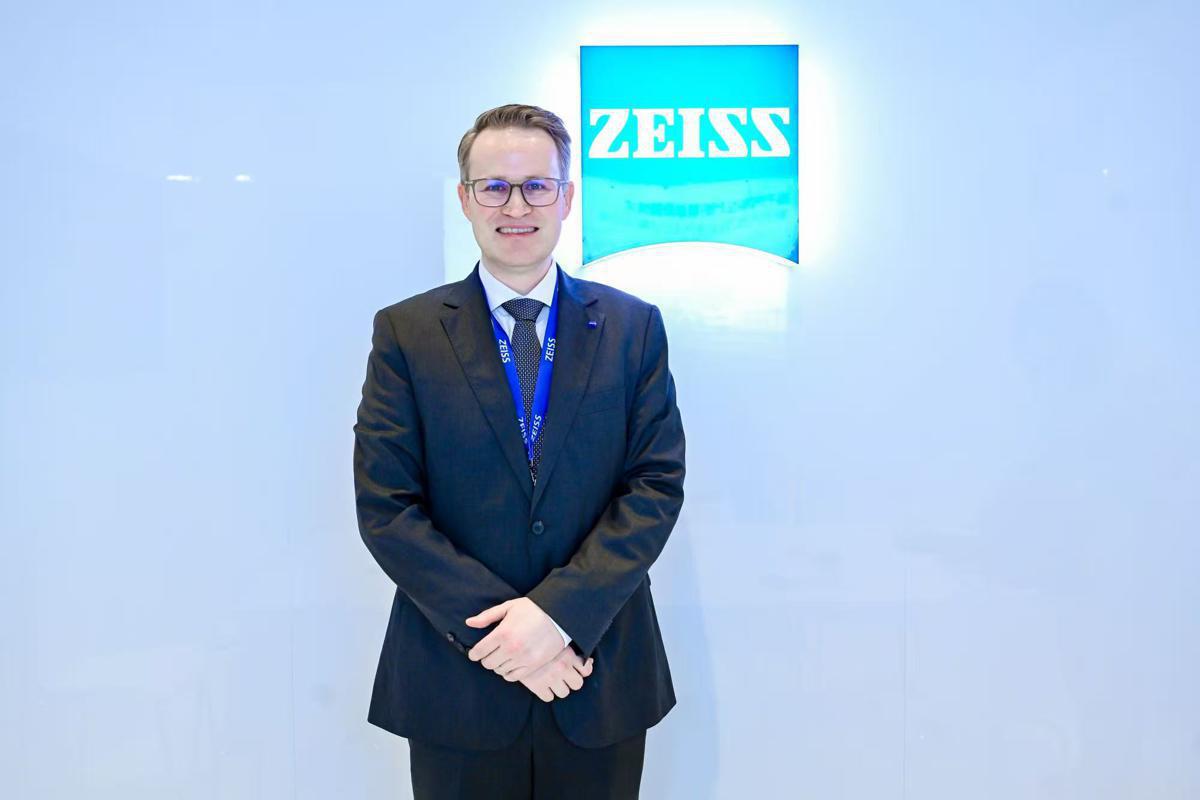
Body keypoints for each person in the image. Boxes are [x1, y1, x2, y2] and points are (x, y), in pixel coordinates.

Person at [353, 103, 686, 799]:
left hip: (595, 670)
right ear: (464, 199)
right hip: (458, 678)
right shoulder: (408, 333)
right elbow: (387, 507)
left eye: (536, 185)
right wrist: (510, 636)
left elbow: (653, 487)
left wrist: (558, 616)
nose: (516, 206)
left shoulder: (631, 328)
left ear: (566, 196)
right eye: (494, 187)